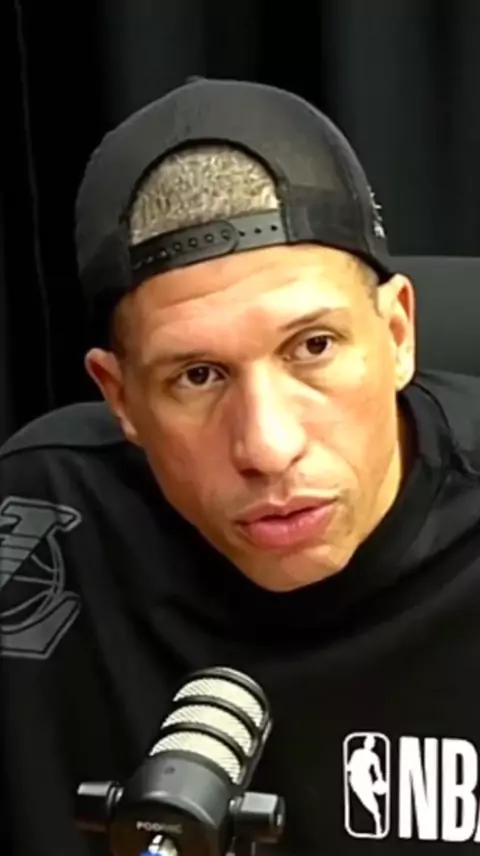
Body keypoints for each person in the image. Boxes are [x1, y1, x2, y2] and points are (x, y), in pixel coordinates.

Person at [2, 77, 480, 856]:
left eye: (313, 347)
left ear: (396, 333)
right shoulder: (40, 524)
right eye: (197, 376)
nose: (267, 447)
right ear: (120, 398)